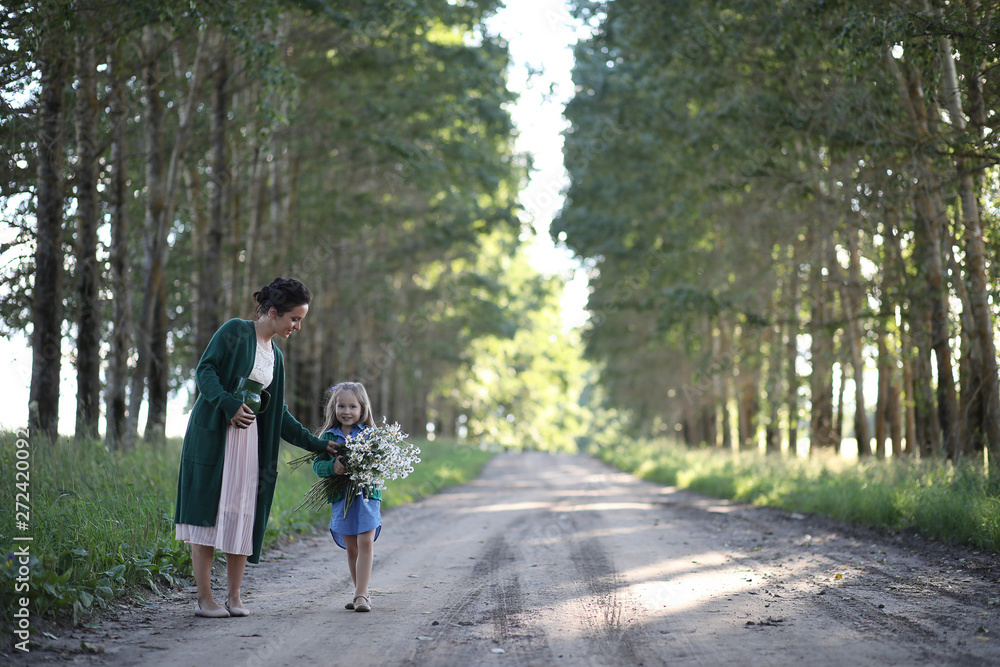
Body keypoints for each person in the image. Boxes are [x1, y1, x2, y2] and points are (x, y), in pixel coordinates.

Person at [174, 277, 339, 618]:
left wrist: (319, 445)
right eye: (295, 319)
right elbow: (205, 370)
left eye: (301, 320)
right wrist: (228, 404)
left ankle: (234, 597)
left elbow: (277, 413)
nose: (298, 327)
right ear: (274, 312)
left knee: (241, 515)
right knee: (208, 514)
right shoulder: (235, 331)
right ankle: (205, 599)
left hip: (249, 444)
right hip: (216, 437)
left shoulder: (275, 356)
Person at [312, 382, 380, 613]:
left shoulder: (371, 435)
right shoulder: (328, 436)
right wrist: (333, 466)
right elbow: (317, 466)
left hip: (367, 496)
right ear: (334, 408)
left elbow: (381, 465)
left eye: (353, 406)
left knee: (365, 542)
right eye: (342, 406)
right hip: (341, 497)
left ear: (362, 409)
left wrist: (367, 467)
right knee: (351, 548)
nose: (347, 411)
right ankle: (360, 591)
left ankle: (361, 595)